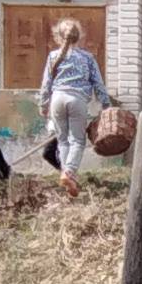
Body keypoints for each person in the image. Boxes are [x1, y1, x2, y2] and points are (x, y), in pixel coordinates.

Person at [38, 18, 108, 178]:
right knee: (77, 140)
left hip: (57, 99)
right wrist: (106, 105)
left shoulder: (53, 56)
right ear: (80, 36)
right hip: (77, 100)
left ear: (58, 36)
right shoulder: (87, 58)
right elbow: (98, 84)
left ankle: (65, 173)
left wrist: (43, 104)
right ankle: (69, 171)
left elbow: (46, 83)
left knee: (62, 141)